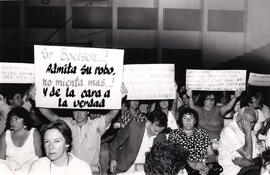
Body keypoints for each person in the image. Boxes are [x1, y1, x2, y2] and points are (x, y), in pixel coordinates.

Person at [37, 84, 127, 174]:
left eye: (82, 110)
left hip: (92, 171)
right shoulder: (67, 124)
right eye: (76, 110)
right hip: (71, 171)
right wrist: (38, 96)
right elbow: (50, 115)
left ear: (88, 111)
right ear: (72, 111)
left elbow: (111, 114)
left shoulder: (96, 124)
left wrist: (119, 96)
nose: (79, 113)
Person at [109, 110, 167, 174]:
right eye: (155, 130)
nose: (157, 134)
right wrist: (113, 159)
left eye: (160, 131)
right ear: (148, 123)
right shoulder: (133, 126)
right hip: (125, 168)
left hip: (146, 170)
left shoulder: (161, 137)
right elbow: (115, 144)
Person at [168, 108, 218, 175]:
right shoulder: (174, 134)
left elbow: (211, 155)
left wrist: (207, 167)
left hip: (202, 167)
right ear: (181, 120)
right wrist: (191, 164)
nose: (188, 121)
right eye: (185, 118)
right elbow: (172, 155)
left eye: (191, 118)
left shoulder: (202, 133)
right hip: (183, 169)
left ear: (195, 121)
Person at [218, 107, 260, 175]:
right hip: (232, 170)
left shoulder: (251, 132)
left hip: (248, 169)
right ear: (241, 120)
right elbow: (248, 155)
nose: (252, 125)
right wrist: (248, 131)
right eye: (250, 122)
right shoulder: (229, 131)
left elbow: (257, 156)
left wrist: (251, 163)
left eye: (254, 122)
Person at [0, 107, 42, 175]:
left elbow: (38, 157)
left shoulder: (34, 133)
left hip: (31, 171)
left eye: (16, 118)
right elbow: (1, 160)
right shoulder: (5, 135)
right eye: (11, 118)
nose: (13, 121)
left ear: (25, 120)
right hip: (10, 172)